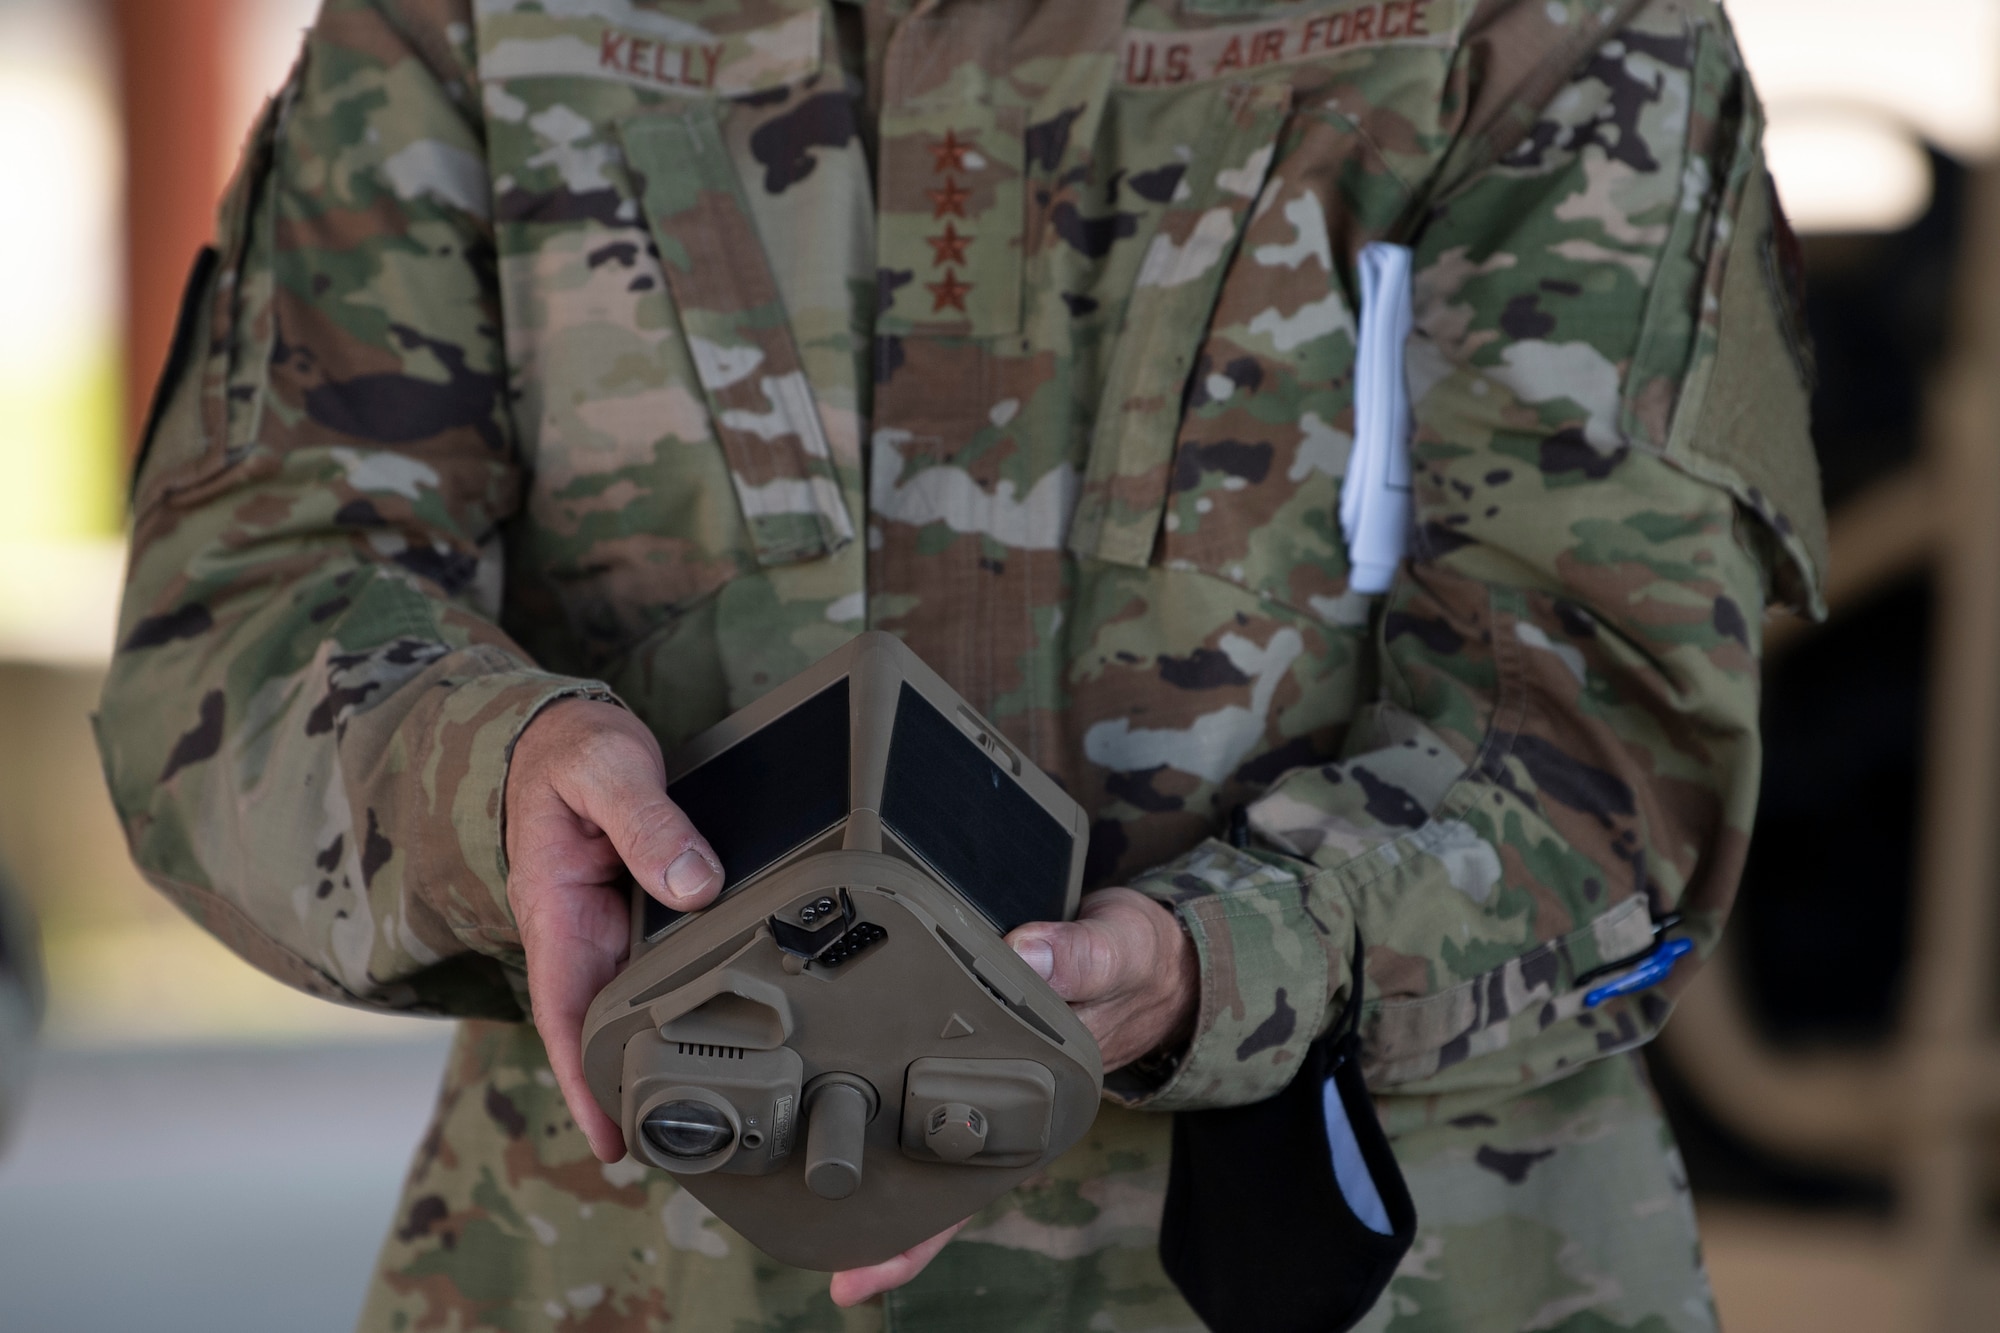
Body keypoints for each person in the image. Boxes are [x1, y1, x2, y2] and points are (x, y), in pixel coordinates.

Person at [96, 0, 1825, 1328]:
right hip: (617, 1257)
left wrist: (1219, 960)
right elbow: (246, 606)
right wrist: (491, 777)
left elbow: (1614, 746)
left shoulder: (1530, 23)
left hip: (1380, 1260)